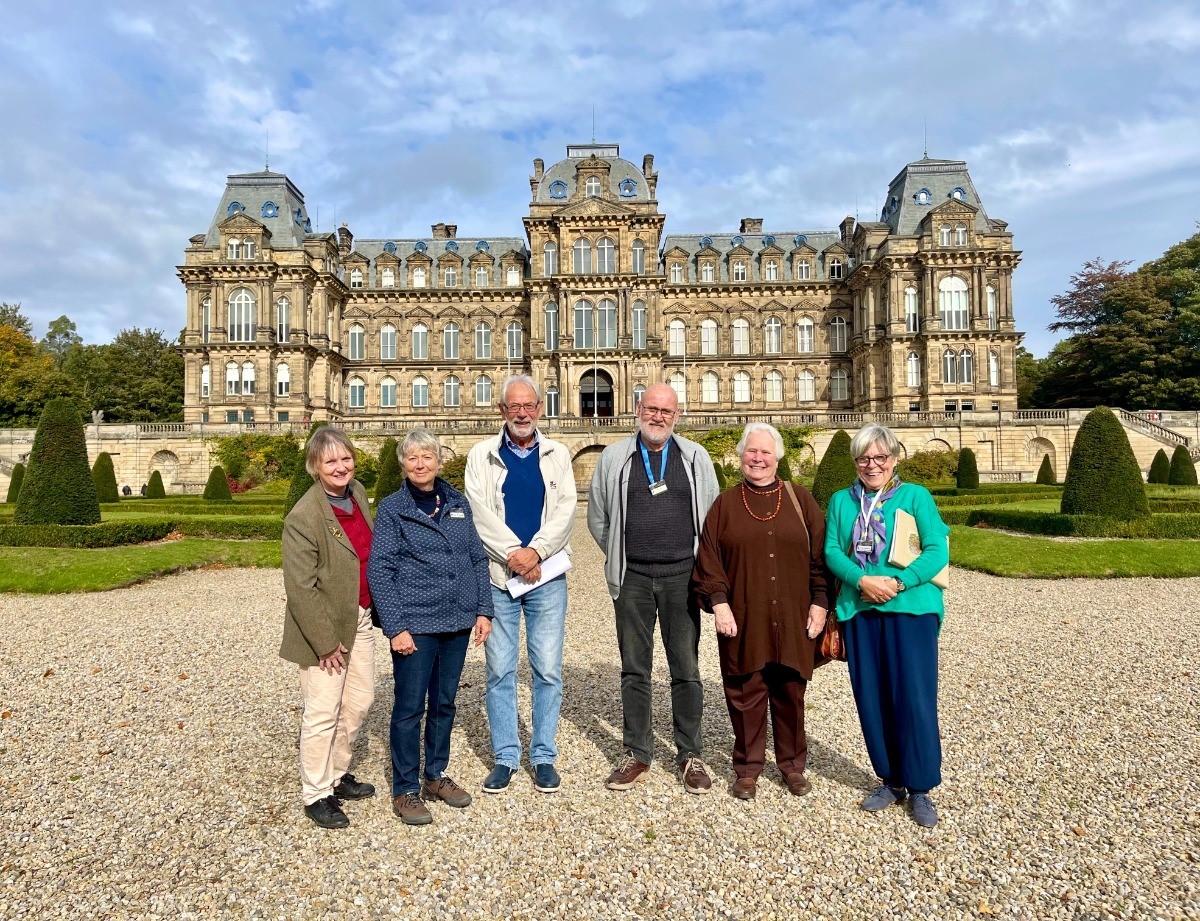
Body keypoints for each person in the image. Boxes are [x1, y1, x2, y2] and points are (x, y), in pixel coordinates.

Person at [587, 382, 720, 794]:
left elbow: (712, 519)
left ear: (677, 416)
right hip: (633, 578)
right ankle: (637, 752)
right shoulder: (614, 457)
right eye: (651, 409)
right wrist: (618, 555)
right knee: (634, 668)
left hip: (683, 576)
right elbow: (598, 518)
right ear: (638, 410)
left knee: (686, 668)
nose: (658, 416)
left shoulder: (695, 457)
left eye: (666, 410)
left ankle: (690, 754)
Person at [693, 423, 830, 799]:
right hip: (743, 615)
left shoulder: (801, 500)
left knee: (790, 692)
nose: (758, 458)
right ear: (741, 457)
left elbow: (821, 559)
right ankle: (748, 768)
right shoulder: (725, 504)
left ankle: (791, 766)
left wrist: (820, 603)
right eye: (751, 452)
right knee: (745, 693)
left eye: (765, 452)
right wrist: (719, 604)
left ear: (777, 457)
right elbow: (709, 560)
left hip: (793, 614)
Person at [824, 423, 949, 828]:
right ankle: (891, 779)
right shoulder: (842, 501)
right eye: (864, 458)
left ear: (894, 459)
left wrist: (898, 582)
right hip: (860, 610)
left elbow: (936, 550)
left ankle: (921, 786)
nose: (872, 464)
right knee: (872, 698)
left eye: (880, 457)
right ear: (855, 462)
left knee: (914, 697)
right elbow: (830, 551)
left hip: (910, 609)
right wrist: (861, 580)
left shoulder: (915, 496)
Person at [368, 430, 493, 826]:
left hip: (457, 620)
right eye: (412, 458)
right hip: (415, 622)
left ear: (439, 461)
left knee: (443, 704)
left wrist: (484, 610)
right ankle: (405, 788)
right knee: (409, 708)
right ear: (403, 464)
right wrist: (395, 626)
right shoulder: (392, 508)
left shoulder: (457, 502)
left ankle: (435, 775)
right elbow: (380, 569)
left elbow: (477, 559)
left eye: (427, 457)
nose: (420, 464)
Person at [465, 375, 577, 795]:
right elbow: (478, 511)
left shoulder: (557, 453)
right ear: (502, 411)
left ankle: (543, 755)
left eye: (529, 405)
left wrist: (538, 552)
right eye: (515, 407)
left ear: (540, 408)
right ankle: (506, 756)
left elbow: (566, 508)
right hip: (499, 577)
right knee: (499, 671)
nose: (523, 413)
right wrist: (515, 553)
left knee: (547, 669)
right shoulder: (482, 454)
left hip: (546, 577)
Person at [280, 426, 377, 830]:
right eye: (330, 461)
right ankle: (316, 792)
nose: (340, 467)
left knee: (360, 702)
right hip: (324, 626)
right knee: (322, 712)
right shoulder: (303, 516)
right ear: (315, 467)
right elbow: (300, 588)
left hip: (361, 618)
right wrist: (325, 643)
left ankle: (336, 775)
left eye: (345, 458)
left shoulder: (357, 496)